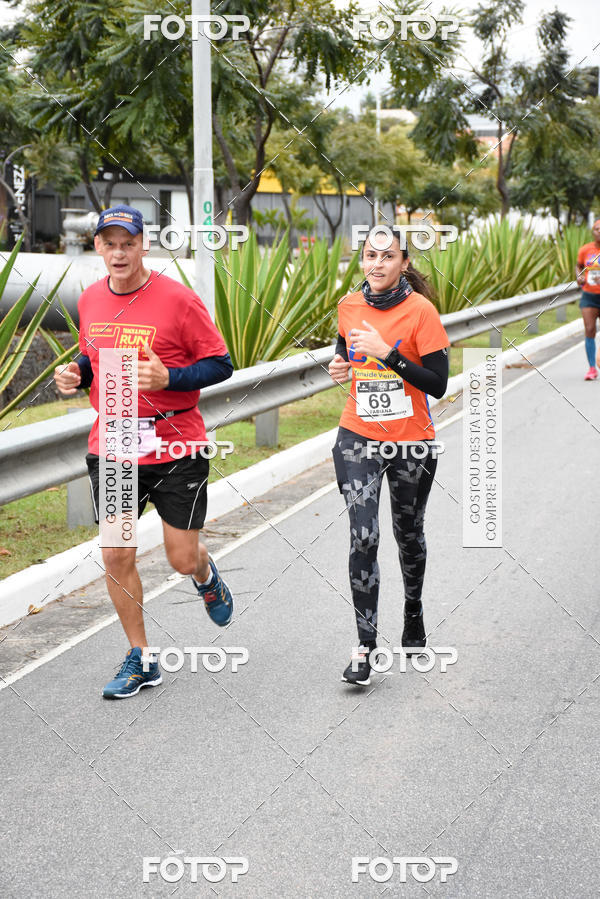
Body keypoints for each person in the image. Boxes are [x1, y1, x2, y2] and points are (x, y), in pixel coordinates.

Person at [54, 204, 234, 699]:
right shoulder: (90, 299)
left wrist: (169, 377)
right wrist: (76, 374)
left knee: (181, 558)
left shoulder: (178, 299)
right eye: (110, 244)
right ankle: (142, 657)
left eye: (128, 244)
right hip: (115, 444)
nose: (119, 253)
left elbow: (221, 364)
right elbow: (93, 357)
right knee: (116, 553)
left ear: (143, 246)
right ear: (97, 247)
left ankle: (204, 574)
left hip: (175, 443)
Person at [329, 225, 449, 686]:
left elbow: (438, 384)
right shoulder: (348, 306)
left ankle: (413, 610)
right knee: (364, 536)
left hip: (410, 441)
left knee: (408, 533)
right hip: (357, 435)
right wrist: (339, 366)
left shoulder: (421, 312)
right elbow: (344, 351)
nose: (376, 264)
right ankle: (365, 646)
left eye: (387, 256)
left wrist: (389, 355)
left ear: (403, 263)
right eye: (369, 255)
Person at [576, 219, 600, 380]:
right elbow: (578, 265)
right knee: (590, 329)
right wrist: (579, 276)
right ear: (593, 232)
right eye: (597, 229)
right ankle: (592, 368)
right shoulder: (585, 250)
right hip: (589, 296)